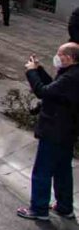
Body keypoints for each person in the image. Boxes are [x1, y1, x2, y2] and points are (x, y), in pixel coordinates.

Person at [18, 43, 79, 220]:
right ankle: (64, 207)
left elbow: (43, 91)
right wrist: (39, 70)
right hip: (67, 130)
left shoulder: (71, 78)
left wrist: (31, 72)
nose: (57, 57)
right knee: (62, 170)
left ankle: (38, 209)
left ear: (69, 57)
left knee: (42, 171)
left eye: (60, 54)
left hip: (55, 129)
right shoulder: (71, 74)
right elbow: (54, 88)